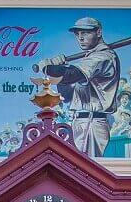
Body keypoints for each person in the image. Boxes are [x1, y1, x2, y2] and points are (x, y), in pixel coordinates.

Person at [40, 17, 120, 157]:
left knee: (89, 172)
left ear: (99, 32)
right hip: (80, 121)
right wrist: (58, 69)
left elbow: (72, 74)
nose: (80, 38)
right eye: (77, 34)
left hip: (93, 122)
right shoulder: (89, 58)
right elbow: (67, 96)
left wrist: (48, 68)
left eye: (85, 33)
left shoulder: (104, 56)